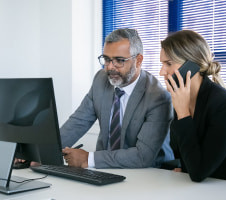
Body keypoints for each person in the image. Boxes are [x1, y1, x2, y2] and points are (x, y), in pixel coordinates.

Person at [160, 30, 226, 183]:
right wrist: (187, 167)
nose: (162, 72)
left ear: (191, 66)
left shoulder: (225, 105)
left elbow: (198, 172)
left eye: (168, 64)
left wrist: (183, 113)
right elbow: (187, 157)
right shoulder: (182, 97)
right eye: (162, 64)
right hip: (208, 186)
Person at [61, 28, 174, 169]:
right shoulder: (101, 80)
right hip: (105, 169)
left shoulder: (158, 97)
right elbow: (78, 122)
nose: (110, 67)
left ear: (138, 60)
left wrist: (88, 159)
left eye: (119, 61)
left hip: (148, 174)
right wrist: (43, 152)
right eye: (107, 59)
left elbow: (143, 156)